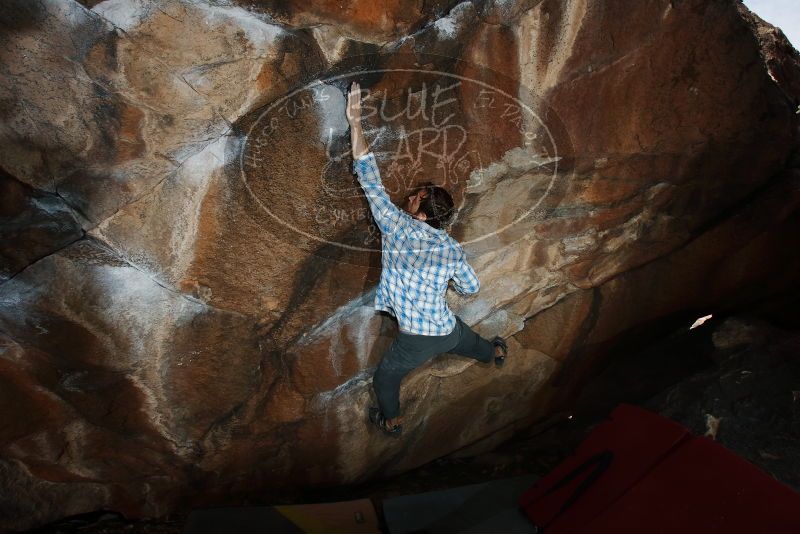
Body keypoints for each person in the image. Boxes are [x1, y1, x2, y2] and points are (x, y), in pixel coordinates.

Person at [346, 81, 508, 436]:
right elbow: (470, 287)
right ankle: (495, 354)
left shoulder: (396, 227)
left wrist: (355, 121)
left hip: (416, 338)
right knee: (468, 341)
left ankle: (392, 419)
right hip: (445, 327)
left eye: (417, 198)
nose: (410, 198)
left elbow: (368, 175)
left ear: (421, 214)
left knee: (385, 378)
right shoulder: (450, 247)